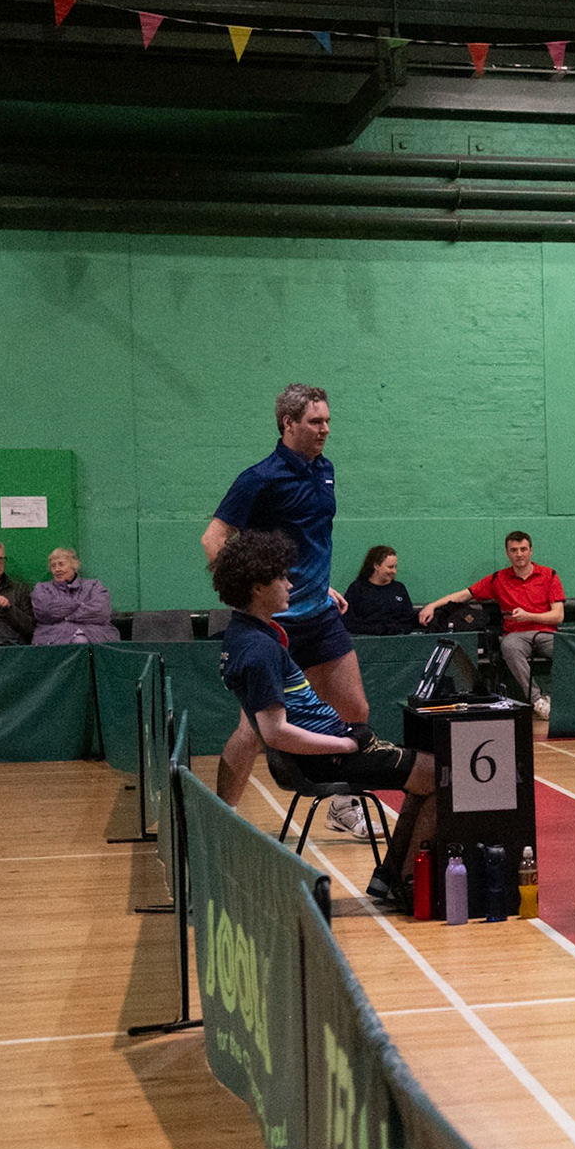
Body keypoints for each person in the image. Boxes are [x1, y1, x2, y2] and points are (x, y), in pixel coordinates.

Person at [211, 530, 435, 911]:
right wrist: (344, 744)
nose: (290, 584)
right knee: (442, 776)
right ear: (257, 588)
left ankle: (393, 877)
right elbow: (275, 732)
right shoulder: (260, 649)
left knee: (426, 772)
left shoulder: (244, 633)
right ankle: (411, 886)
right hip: (326, 758)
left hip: (329, 746)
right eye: (282, 577)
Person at [203, 384, 373, 835]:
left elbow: (310, 540)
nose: (325, 429)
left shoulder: (325, 470)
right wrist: (252, 598)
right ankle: (221, 819)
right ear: (288, 423)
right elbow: (214, 540)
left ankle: (342, 805)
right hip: (273, 625)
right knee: (253, 732)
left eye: (328, 420)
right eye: (316, 421)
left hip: (320, 616)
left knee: (354, 707)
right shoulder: (259, 478)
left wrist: (320, 584)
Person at [419, 532, 565, 718]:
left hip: (546, 634)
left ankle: (552, 696)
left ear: (531, 551)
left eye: (523, 549)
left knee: (568, 650)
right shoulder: (498, 579)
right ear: (507, 553)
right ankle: (537, 701)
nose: (519, 554)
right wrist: (432, 605)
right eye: (514, 550)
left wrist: (528, 616)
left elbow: (558, 616)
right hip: (516, 635)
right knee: (509, 646)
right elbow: (465, 594)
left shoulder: (549, 575)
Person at [32, 547, 117, 645]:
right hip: (53, 638)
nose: (57, 569)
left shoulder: (94, 586)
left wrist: (68, 616)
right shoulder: (42, 588)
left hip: (94, 636)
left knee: (82, 642)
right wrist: (80, 605)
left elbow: (101, 611)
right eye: (53, 566)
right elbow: (46, 610)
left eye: (61, 564)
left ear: (74, 565)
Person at [344, 545, 419, 637]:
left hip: (396, 640)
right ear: (376, 566)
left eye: (395, 567)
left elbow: (408, 620)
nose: (394, 571)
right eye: (390, 567)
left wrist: (395, 630)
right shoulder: (357, 589)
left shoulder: (399, 589)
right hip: (365, 640)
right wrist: (377, 630)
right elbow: (349, 622)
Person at [0, 542, 34, 646]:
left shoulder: (19, 590)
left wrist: (9, 608)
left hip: (12, 648)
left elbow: (30, 628)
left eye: (0, 559)